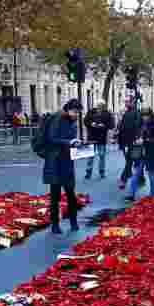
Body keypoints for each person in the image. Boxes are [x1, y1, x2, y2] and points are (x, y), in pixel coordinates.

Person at [42, 99, 83, 234]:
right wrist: (69, 142)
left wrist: (77, 143)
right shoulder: (58, 119)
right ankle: (55, 224)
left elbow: (69, 139)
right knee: (55, 195)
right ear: (69, 109)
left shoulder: (72, 121)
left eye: (78, 113)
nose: (76, 115)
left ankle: (73, 221)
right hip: (55, 161)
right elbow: (51, 138)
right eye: (75, 112)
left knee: (71, 193)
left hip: (67, 161)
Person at [126, 108, 154, 201]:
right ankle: (131, 194)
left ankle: (153, 195)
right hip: (139, 152)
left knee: (152, 174)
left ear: (150, 115)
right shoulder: (139, 125)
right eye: (143, 115)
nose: (145, 117)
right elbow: (133, 136)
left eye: (147, 115)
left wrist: (145, 140)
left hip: (151, 152)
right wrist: (135, 141)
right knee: (136, 173)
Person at [82, 101, 114, 180]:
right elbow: (85, 121)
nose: (99, 107)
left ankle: (101, 171)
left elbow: (111, 125)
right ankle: (88, 172)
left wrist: (104, 125)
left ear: (103, 106)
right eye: (98, 105)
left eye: (101, 106)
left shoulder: (107, 114)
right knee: (90, 156)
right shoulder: (91, 112)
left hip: (101, 138)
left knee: (102, 155)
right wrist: (91, 124)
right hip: (91, 137)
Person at [117, 97, 142, 190]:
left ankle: (123, 180)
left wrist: (137, 138)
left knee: (131, 162)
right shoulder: (125, 113)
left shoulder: (136, 113)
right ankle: (138, 178)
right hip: (126, 142)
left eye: (127, 102)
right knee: (132, 162)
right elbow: (121, 128)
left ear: (133, 102)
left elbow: (137, 127)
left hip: (133, 143)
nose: (126, 103)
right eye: (125, 102)